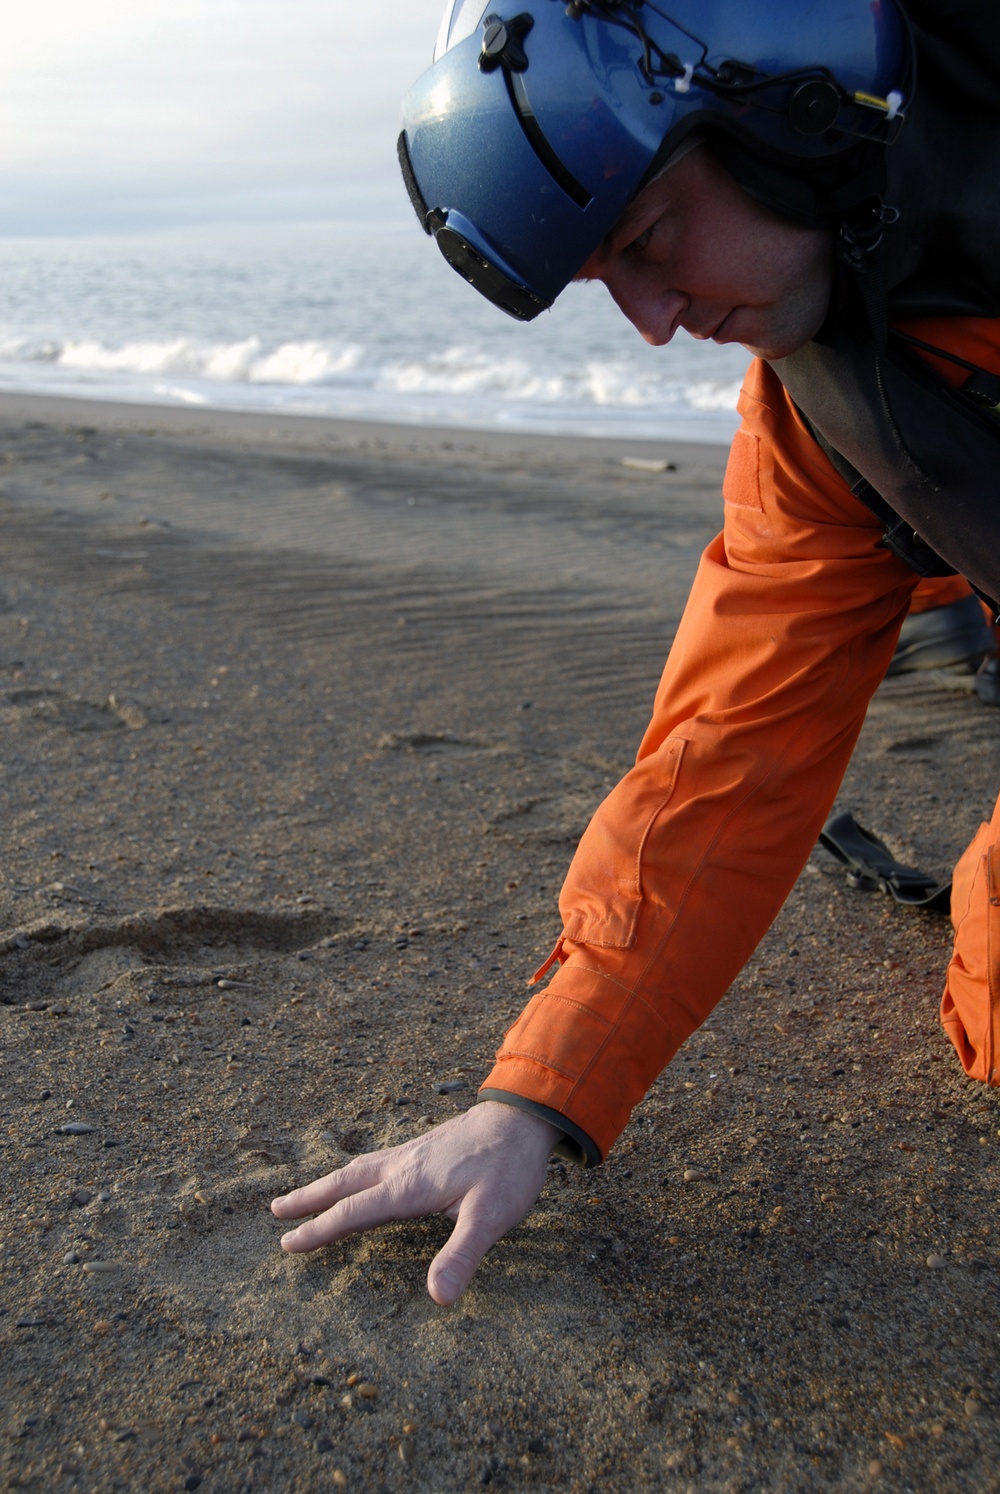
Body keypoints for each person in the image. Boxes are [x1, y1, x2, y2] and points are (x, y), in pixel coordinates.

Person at [272, 0, 1000, 1305]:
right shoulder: (821, 411)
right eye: (614, 279)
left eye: (654, 239)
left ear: (796, 93)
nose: (657, 322)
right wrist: (533, 1096)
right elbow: (731, 749)